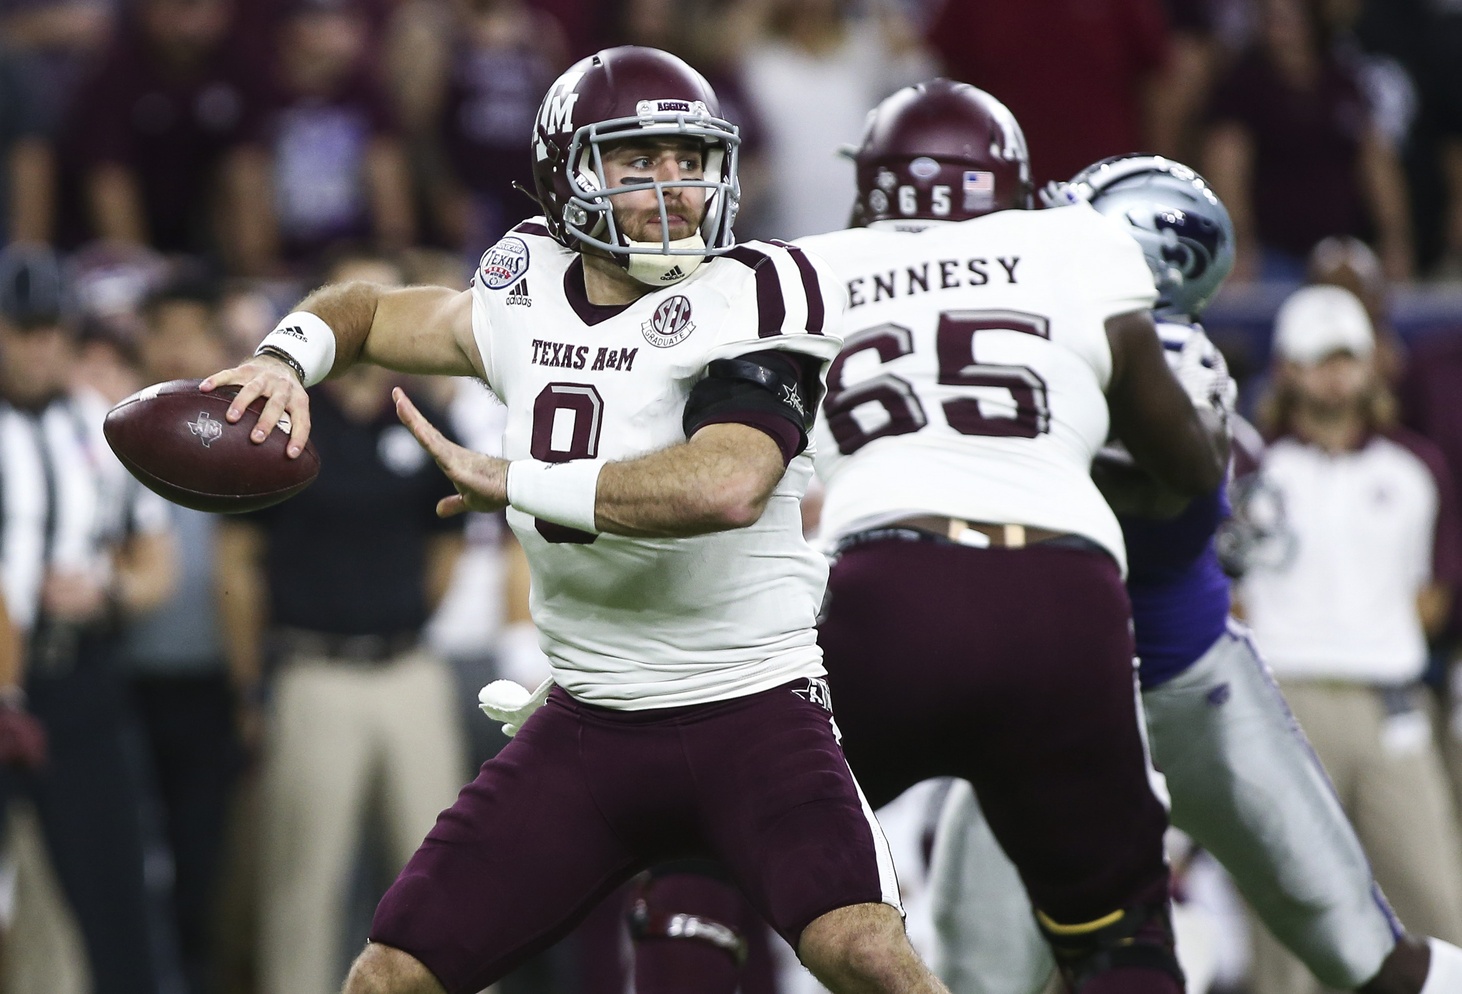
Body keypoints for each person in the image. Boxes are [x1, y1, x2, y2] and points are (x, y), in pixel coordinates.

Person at [198, 45, 950, 994]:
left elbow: (728, 482)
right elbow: (370, 311)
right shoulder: (525, 283)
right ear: (568, 176)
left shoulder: (755, 286)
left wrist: (521, 481)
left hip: (750, 710)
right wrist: (283, 356)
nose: (675, 189)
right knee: (389, 977)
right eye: (639, 163)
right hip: (588, 722)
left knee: (867, 953)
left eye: (691, 160)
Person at [921, 156, 1462, 994]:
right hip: (1067, 697)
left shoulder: (1168, 359)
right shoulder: (1051, 348)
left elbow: (1160, 473)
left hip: (1180, 683)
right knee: (980, 972)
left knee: (1367, 948)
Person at [795, 81, 1228, 994]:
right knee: (1121, 929)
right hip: (1059, 594)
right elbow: (1186, 470)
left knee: (728, 839)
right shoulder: (1072, 241)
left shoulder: (806, 268)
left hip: (883, 592)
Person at [215, 249, 468, 994]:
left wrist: (400, 621)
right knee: (303, 889)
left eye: (389, 297)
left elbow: (445, 549)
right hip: (312, 671)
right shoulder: (278, 415)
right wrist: (249, 686)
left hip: (407, 668)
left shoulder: (427, 416)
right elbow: (237, 563)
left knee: (445, 886)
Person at [1231, 283, 1462, 993]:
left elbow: (1435, 594)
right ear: (1288, 369)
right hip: (1282, 700)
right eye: (1318, 359)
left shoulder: (1416, 468)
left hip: (1387, 699)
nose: (1335, 374)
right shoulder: (1249, 467)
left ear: (1371, 365)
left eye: (1347, 358)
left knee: (1436, 898)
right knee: (1285, 910)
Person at [0, 242, 177, 994]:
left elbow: (155, 565)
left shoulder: (102, 429)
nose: (40, 346)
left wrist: (107, 592)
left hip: (76, 679)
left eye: (51, 330)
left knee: (115, 896)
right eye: (22, 329)